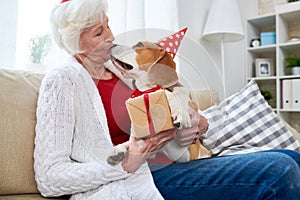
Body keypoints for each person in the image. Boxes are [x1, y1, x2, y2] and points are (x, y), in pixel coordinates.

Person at [34, 0, 300, 199]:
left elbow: (155, 130)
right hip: (128, 182)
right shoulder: (61, 81)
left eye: (108, 25)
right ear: (75, 42)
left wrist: (183, 135)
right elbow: (49, 178)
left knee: (290, 156)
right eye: (98, 32)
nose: (111, 37)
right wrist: (125, 161)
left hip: (164, 167)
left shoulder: (121, 70)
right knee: (281, 169)